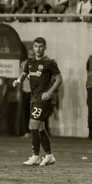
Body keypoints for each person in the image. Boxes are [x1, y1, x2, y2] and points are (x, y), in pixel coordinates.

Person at [12, 37, 63, 166]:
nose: (38, 49)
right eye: (36, 46)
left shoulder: (49, 62)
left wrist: (49, 92)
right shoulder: (30, 62)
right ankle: (49, 155)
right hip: (33, 98)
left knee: (32, 126)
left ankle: (35, 156)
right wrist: (18, 80)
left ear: (45, 48)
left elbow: (59, 79)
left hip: (42, 98)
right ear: (33, 48)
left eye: (40, 47)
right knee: (40, 128)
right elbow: (24, 74)